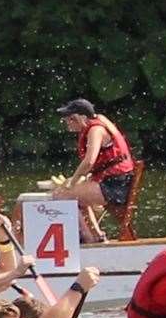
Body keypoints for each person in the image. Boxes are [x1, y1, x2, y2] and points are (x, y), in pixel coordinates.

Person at [53, 99, 136, 243]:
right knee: (76, 194)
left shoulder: (95, 130)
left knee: (62, 195)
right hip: (115, 181)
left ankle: (89, 239)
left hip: (116, 185)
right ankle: (98, 235)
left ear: (82, 118)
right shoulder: (98, 121)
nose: (67, 122)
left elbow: (89, 161)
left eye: (71, 118)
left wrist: (72, 182)